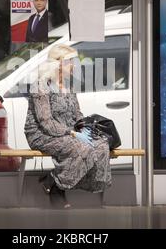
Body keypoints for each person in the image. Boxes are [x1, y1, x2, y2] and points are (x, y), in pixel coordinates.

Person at [24, 44, 112, 208]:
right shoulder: (41, 86)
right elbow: (46, 122)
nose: (74, 65)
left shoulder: (68, 87)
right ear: (57, 63)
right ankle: (57, 188)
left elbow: (77, 113)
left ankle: (89, 196)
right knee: (82, 147)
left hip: (68, 132)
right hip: (42, 134)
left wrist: (83, 127)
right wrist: (72, 133)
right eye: (70, 61)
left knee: (101, 145)